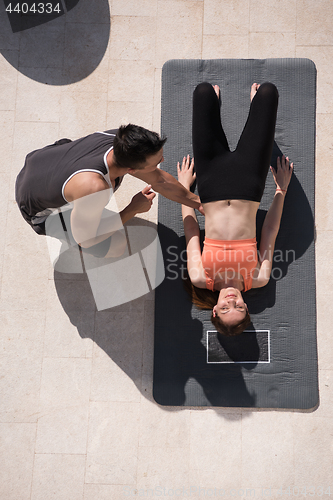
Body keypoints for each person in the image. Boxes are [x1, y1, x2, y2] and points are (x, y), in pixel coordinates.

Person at [177, 82, 293, 336]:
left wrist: (185, 189)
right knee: (268, 92)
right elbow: (270, 232)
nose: (231, 300)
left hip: (210, 182)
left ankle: (221, 106)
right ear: (247, 308)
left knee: (203, 91)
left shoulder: (200, 278)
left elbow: (192, 232)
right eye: (238, 307)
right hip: (249, 183)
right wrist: (280, 190)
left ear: (215, 310)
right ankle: (255, 109)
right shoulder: (258, 278)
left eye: (226, 307)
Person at [15, 124, 202, 258]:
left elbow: (160, 180)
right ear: (132, 171)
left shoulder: (119, 141)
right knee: (117, 245)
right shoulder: (94, 189)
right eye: (157, 162)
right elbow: (86, 240)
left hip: (39, 164)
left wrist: (199, 204)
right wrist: (132, 209)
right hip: (36, 210)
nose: (162, 162)